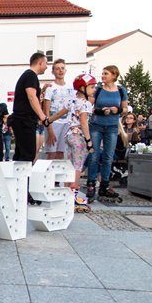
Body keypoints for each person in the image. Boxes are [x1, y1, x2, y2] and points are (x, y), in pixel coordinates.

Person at [86, 65, 128, 203]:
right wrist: (99, 111)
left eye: (106, 73)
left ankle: (104, 185)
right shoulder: (98, 90)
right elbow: (88, 106)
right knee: (94, 155)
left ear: (114, 75)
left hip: (112, 127)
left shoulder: (121, 90)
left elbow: (126, 108)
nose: (103, 76)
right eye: (102, 73)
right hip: (96, 125)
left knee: (108, 157)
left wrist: (118, 110)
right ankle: (91, 184)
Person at [64, 74, 96, 210]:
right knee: (78, 166)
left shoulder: (72, 100)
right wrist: (89, 141)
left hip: (69, 135)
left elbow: (61, 113)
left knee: (69, 165)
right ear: (83, 87)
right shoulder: (86, 103)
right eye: (92, 87)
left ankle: (66, 195)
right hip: (78, 137)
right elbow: (84, 121)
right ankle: (74, 196)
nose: (94, 90)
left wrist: (48, 120)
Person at [11, 53, 49, 163]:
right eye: (46, 63)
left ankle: (19, 179)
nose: (46, 66)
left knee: (21, 154)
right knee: (28, 154)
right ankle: (23, 179)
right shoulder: (31, 75)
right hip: (24, 120)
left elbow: (32, 96)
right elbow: (31, 97)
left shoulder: (28, 76)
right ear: (40, 63)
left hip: (22, 120)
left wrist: (41, 91)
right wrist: (42, 116)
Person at [43, 59, 74, 160]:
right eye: (57, 69)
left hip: (66, 123)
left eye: (62, 68)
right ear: (53, 71)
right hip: (54, 123)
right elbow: (46, 110)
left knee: (61, 153)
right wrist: (50, 129)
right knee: (51, 153)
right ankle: (49, 175)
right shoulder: (50, 88)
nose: (60, 71)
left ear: (65, 70)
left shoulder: (71, 87)